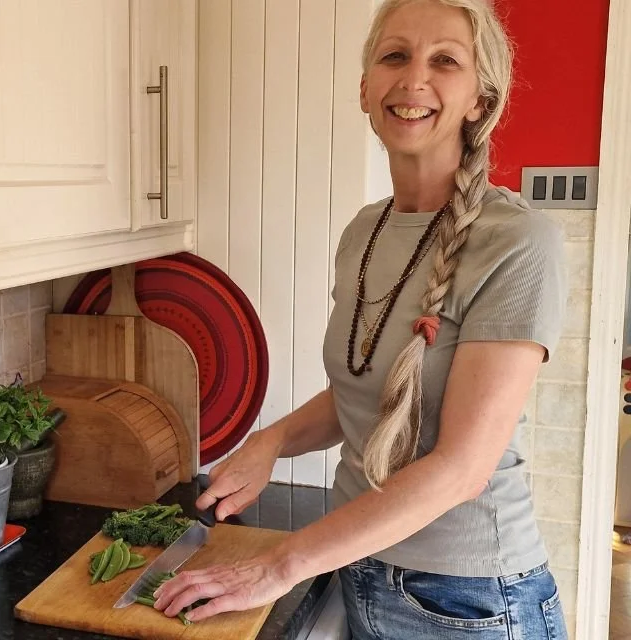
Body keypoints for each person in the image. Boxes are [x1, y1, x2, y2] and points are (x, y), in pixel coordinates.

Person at [151, 0, 570, 638]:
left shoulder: (517, 240)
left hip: (468, 600)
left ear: (480, 101)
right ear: (365, 88)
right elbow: (369, 390)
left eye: (445, 61)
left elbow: (462, 468)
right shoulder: (364, 232)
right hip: (359, 562)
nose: (413, 79)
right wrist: (273, 442)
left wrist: (276, 567)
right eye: (394, 55)